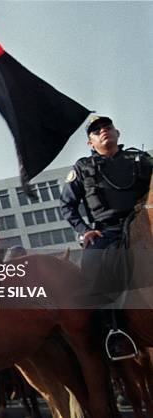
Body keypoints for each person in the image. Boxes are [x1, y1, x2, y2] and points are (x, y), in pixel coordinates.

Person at [60, 115, 151, 360]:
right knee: (93, 267)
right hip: (107, 231)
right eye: (96, 130)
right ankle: (115, 332)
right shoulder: (82, 167)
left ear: (117, 133)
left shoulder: (140, 160)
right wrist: (83, 230)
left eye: (107, 127)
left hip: (141, 223)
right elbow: (67, 205)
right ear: (91, 143)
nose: (103, 131)